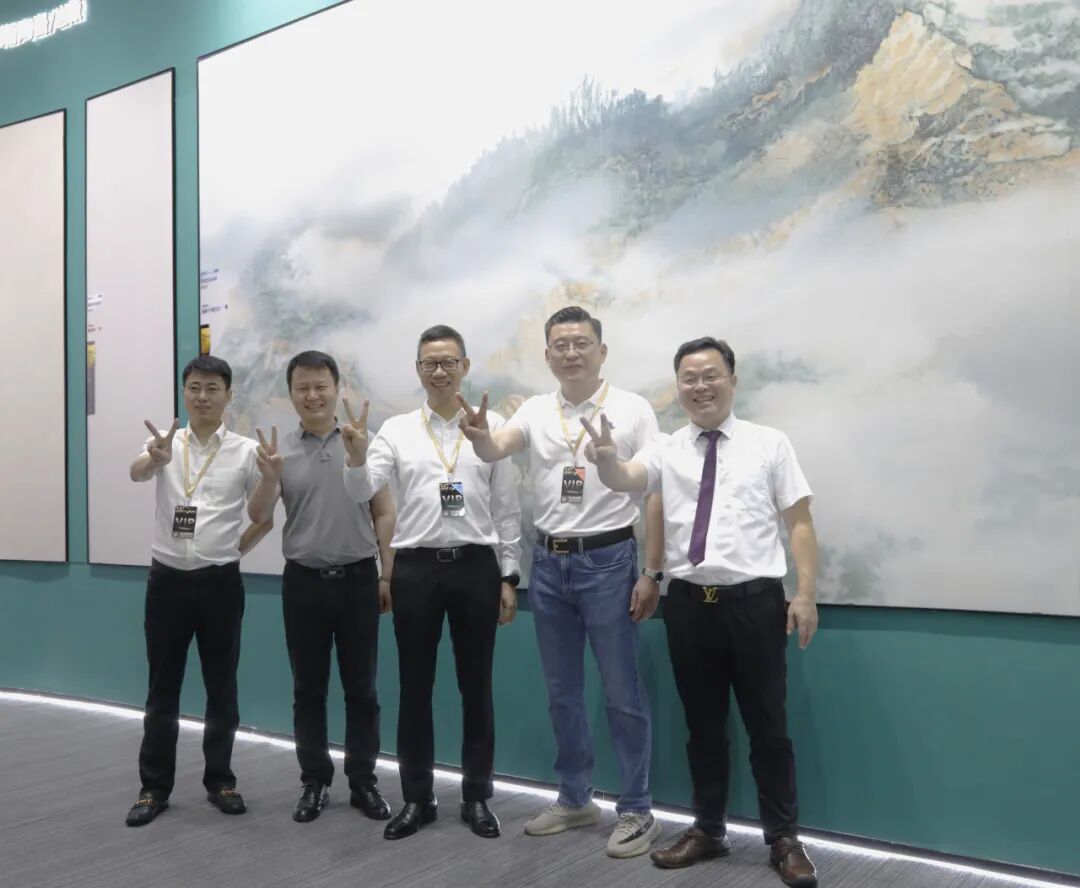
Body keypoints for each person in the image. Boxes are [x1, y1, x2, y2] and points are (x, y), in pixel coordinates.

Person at [581, 336, 820, 887]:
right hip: (690, 606)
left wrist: (804, 593)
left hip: (755, 604)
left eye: (711, 375)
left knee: (769, 727)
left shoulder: (769, 443)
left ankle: (784, 838)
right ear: (678, 387)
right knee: (702, 727)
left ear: (732, 380)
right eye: (689, 378)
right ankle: (709, 829)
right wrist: (607, 460)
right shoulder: (667, 448)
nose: (700, 386)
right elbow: (627, 479)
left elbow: (800, 522)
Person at [458, 305, 664, 859]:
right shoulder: (535, 408)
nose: (571, 352)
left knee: (622, 691)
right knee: (562, 692)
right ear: (548, 354)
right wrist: (479, 437)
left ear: (601, 350)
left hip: (609, 561)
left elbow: (652, 490)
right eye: (560, 345)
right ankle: (575, 798)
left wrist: (652, 571)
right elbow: (496, 447)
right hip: (549, 564)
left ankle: (637, 808)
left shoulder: (633, 408)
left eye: (581, 343)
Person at [341, 325, 520, 840]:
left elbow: (507, 507)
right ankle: (417, 798)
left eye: (448, 362)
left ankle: (477, 797)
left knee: (476, 686)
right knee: (414, 687)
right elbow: (361, 489)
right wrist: (356, 454)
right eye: (429, 363)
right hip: (416, 569)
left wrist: (509, 575)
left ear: (466, 366)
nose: (439, 371)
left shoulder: (492, 427)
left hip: (476, 567)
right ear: (418, 369)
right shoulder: (397, 431)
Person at [246, 350, 395, 823]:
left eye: (320, 386)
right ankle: (314, 781)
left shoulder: (362, 441)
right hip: (303, 582)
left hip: (358, 579)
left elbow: (384, 511)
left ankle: (363, 781)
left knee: (362, 689)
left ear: (336, 389)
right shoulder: (280, 451)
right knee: (308, 690)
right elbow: (259, 515)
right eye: (302, 388)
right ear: (291, 394)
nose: (312, 395)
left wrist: (386, 573)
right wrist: (269, 478)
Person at [125, 355, 271, 826]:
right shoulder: (165, 443)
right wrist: (153, 458)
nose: (202, 396)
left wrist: (230, 550)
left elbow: (262, 517)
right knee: (161, 689)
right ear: (184, 393)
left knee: (222, 687)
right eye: (194, 388)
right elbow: (136, 472)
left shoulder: (247, 451)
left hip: (219, 585)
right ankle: (153, 788)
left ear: (229, 395)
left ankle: (221, 780)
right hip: (166, 581)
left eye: (212, 388)